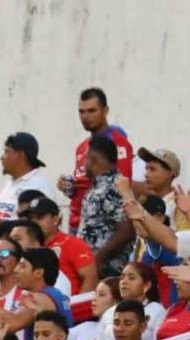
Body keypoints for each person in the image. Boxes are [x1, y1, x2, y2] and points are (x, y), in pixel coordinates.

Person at [62, 87, 134, 232]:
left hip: (103, 226)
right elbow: (83, 185)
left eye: (92, 111)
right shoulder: (81, 147)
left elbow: (122, 185)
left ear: (105, 111)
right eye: (81, 112)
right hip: (77, 223)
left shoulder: (118, 143)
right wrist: (68, 187)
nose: (86, 116)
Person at [80, 134, 134, 277]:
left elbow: (127, 229)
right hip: (91, 269)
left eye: (86, 159)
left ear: (93, 160)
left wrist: (99, 258)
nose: (84, 164)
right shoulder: (99, 187)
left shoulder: (114, 187)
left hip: (107, 271)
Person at [0, 133, 55, 226]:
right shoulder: (8, 185)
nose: (2, 157)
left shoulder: (40, 188)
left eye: (7, 151)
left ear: (21, 155)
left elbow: (43, 229)